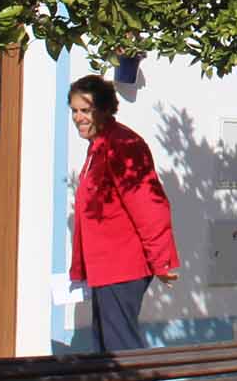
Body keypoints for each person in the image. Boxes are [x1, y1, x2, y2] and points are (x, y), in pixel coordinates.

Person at [67, 74, 179, 351]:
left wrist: (161, 261)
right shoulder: (99, 147)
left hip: (122, 267)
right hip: (106, 268)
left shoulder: (123, 146)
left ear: (104, 109)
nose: (78, 118)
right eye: (74, 111)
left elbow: (149, 206)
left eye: (85, 110)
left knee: (120, 350)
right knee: (107, 348)